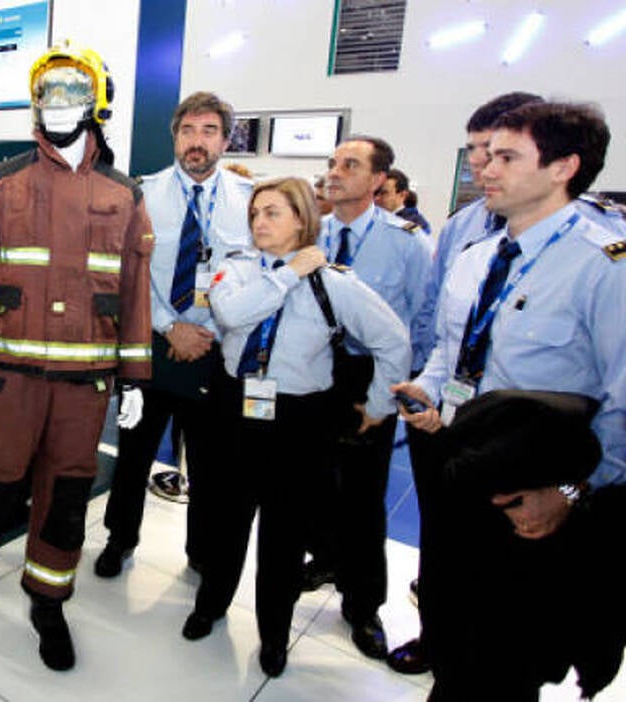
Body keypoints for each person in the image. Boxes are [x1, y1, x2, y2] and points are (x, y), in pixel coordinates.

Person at [0, 41, 153, 671]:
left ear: (97, 102)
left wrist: (135, 377)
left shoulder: (125, 195)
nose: (58, 103)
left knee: (67, 500)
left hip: (85, 387)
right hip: (12, 382)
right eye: (48, 91)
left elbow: (134, 293)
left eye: (74, 90)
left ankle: (48, 601)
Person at [392, 100, 626, 698]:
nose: (485, 169)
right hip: (458, 462)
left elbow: (622, 400)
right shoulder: (476, 259)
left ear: (563, 168)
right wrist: (427, 390)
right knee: (452, 626)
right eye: (486, 155)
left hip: (534, 491)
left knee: (507, 657)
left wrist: (571, 493)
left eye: (507, 158)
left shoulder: (604, 267)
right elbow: (449, 351)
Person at [183, 176, 408, 678]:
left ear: (303, 219)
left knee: (283, 536)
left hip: (299, 421)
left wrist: (378, 404)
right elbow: (231, 313)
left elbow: (394, 341)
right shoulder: (237, 268)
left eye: (273, 213)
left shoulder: (334, 283)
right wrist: (288, 273)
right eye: (255, 213)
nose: (259, 222)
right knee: (225, 519)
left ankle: (274, 635)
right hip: (235, 406)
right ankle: (210, 605)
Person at [95, 91, 252, 579]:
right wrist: (170, 326)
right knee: (134, 453)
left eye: (208, 131)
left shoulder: (249, 201)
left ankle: (201, 550)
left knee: (210, 463)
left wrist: (206, 330)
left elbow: (252, 274)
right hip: (152, 344)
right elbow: (129, 271)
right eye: (187, 131)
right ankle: (120, 539)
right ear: (175, 138)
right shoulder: (142, 193)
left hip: (216, 348)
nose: (196, 141)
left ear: (225, 141)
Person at [306, 134, 431, 661]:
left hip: (371, 375)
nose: (334, 173)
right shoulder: (311, 234)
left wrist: (388, 396)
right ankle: (325, 558)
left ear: (379, 179)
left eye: (350, 165)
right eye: (333, 163)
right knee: (311, 482)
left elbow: (421, 323)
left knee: (362, 497)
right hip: (313, 372)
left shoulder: (407, 243)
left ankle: (362, 605)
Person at [373, 168, 430, 233]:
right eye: (375, 193)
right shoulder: (372, 220)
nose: (377, 198)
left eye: (384, 193)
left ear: (402, 195)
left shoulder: (415, 224)